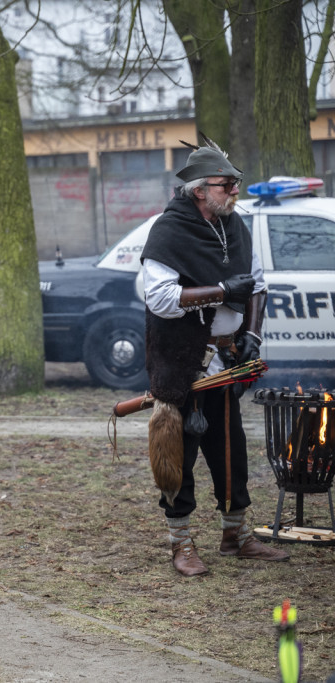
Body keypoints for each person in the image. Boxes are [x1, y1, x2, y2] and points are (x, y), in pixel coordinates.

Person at [140, 139, 289, 577]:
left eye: (235, 184)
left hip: (226, 362)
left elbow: (257, 284)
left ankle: (235, 535)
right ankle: (181, 543)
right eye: (227, 185)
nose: (235, 191)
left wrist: (252, 335)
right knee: (178, 456)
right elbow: (160, 299)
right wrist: (222, 292)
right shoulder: (169, 230)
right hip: (180, 363)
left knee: (231, 452)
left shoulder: (233, 224)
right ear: (200, 190)